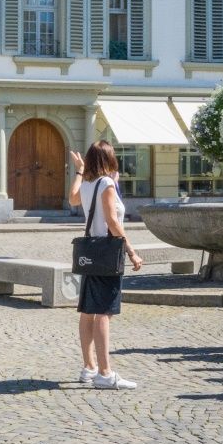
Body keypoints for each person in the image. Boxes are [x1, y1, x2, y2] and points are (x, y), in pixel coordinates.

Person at [75, 140, 145, 389]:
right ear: (108, 158)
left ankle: (89, 367)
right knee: (104, 312)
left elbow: (73, 199)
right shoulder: (106, 183)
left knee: (88, 311)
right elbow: (113, 222)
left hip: (90, 252)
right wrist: (131, 251)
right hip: (107, 252)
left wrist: (80, 170)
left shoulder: (87, 183)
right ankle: (105, 373)